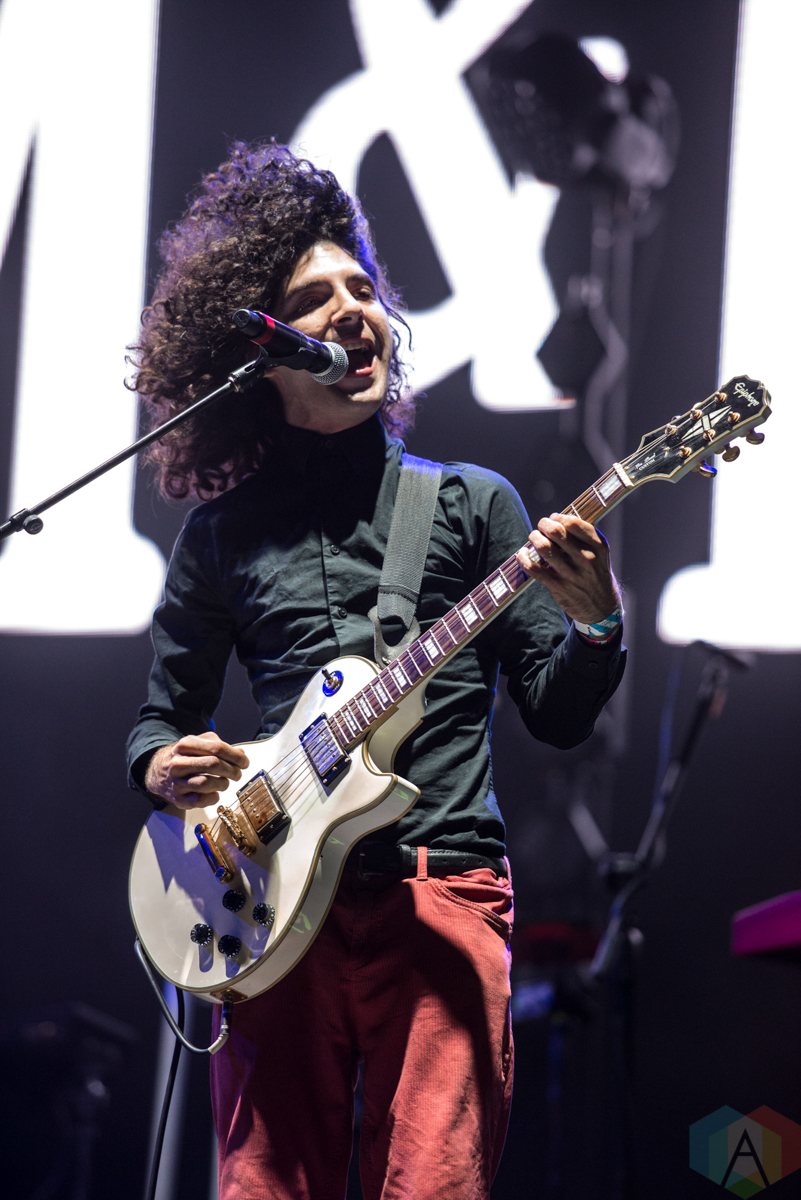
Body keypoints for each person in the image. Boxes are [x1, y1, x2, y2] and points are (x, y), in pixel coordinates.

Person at [127, 141, 625, 1200]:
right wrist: (161, 766)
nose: (354, 310)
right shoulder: (221, 536)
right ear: (263, 354)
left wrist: (594, 623)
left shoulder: (471, 504)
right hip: (268, 907)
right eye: (315, 300)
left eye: (363, 289)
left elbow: (558, 713)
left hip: (438, 892)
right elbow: (161, 719)